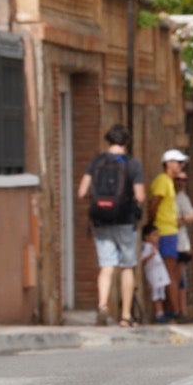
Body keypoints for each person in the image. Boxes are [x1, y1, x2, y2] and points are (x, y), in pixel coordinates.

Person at [76, 123, 147, 328]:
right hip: (125, 220)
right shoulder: (133, 164)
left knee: (106, 265)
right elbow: (140, 196)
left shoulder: (96, 161)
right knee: (126, 267)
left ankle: (102, 304)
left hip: (101, 220)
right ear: (127, 142)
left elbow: (81, 192)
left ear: (108, 140)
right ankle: (125, 316)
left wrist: (100, 202)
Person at [147, 148, 189, 319]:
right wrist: (151, 224)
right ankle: (174, 309)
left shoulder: (169, 182)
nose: (181, 166)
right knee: (169, 272)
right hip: (164, 231)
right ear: (168, 164)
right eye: (178, 163)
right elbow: (154, 203)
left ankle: (175, 309)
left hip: (170, 231)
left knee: (171, 272)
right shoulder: (163, 181)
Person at [174, 168, 193, 319]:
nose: (182, 183)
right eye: (179, 179)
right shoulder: (168, 194)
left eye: (184, 180)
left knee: (179, 277)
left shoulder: (182, 197)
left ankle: (182, 310)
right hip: (170, 241)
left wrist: (179, 221)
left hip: (181, 244)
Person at [140, 225, 172, 323]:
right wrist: (151, 255)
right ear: (146, 237)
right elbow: (142, 260)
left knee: (161, 294)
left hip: (159, 273)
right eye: (154, 235)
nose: (157, 237)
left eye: (158, 235)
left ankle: (162, 312)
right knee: (157, 295)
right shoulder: (146, 247)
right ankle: (159, 315)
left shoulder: (153, 246)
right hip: (154, 274)